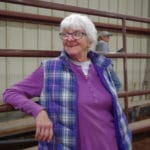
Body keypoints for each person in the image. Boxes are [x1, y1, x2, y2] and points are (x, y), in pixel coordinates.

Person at [3, 13, 132, 150]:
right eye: (65, 34)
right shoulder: (50, 69)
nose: (69, 39)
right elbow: (11, 93)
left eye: (77, 34)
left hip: (110, 143)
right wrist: (39, 111)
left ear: (89, 40)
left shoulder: (102, 67)